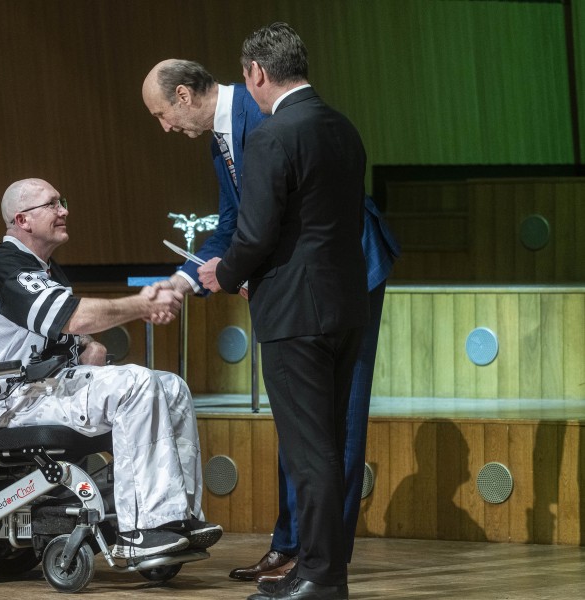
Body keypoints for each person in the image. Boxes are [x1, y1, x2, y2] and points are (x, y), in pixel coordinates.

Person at [198, 22, 368, 600]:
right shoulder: (343, 128)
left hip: (295, 313)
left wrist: (223, 274)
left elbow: (255, 234)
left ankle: (320, 576)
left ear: (257, 73)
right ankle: (319, 569)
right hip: (346, 305)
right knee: (328, 447)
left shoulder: (272, 136)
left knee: (309, 452)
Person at [0, 177, 222, 560]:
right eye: (53, 204)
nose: (64, 210)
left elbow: (57, 328)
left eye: (62, 202)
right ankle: (140, 530)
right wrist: (143, 305)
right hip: (8, 401)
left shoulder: (44, 268)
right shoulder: (4, 265)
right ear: (22, 220)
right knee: (136, 382)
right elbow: (70, 317)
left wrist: (88, 344)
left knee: (171, 386)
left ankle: (176, 517)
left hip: (43, 387)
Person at [230, 196, 400, 588]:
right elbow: (234, 217)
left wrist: (242, 270)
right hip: (292, 267)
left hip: (343, 255)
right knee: (298, 417)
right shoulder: (220, 156)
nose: (168, 129)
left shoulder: (271, 143)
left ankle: (323, 558)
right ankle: (290, 544)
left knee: (342, 417)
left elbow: (288, 205)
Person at [141, 58, 265, 295]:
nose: (165, 127)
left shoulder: (259, 110)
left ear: (184, 95)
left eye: (161, 114)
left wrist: (232, 271)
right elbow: (230, 227)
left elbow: (284, 214)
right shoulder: (217, 143)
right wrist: (178, 283)